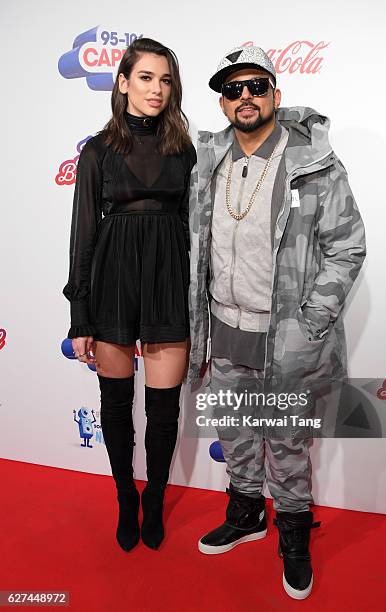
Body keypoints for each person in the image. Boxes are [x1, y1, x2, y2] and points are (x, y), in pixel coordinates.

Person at [188, 46, 366, 598]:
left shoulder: (313, 162)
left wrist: (313, 318)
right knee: (236, 432)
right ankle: (246, 514)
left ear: (275, 94)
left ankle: (292, 534)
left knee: (287, 441)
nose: (246, 97)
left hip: (285, 336)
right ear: (222, 101)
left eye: (257, 87)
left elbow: (347, 246)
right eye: (234, 89)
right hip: (224, 323)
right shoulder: (207, 160)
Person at [63, 38, 196, 552]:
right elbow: (82, 235)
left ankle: (156, 498)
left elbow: (193, 226)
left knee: (164, 412)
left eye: (165, 80)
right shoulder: (98, 151)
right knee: (116, 407)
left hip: (167, 279)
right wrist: (81, 314)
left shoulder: (184, 150)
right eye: (145, 77)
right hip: (113, 279)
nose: (156, 89)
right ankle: (125, 496)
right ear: (122, 83)